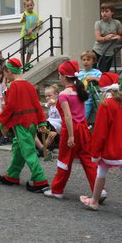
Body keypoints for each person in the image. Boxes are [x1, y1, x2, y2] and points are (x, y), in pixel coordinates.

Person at [79, 72, 122, 221]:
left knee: (101, 171)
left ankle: (94, 201)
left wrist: (96, 152)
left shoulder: (106, 104)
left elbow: (100, 131)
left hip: (111, 146)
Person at [43, 60, 103, 201]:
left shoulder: (64, 94)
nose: (59, 77)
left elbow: (68, 116)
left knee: (64, 160)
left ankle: (57, 190)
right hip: (83, 127)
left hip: (71, 129)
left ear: (64, 76)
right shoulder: (80, 91)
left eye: (59, 74)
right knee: (88, 160)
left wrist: (70, 136)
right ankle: (99, 190)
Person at [0, 58, 49, 193]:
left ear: (9, 72)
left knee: (28, 151)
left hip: (20, 123)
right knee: (19, 149)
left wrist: (0, 121)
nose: (5, 76)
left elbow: (10, 107)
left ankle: (40, 180)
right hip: (31, 122)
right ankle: (12, 175)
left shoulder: (13, 86)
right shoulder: (30, 85)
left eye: (5, 73)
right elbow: (37, 105)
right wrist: (41, 121)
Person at [92, 2, 122, 72]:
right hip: (98, 51)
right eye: (102, 12)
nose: (104, 13)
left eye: (106, 11)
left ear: (112, 12)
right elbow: (98, 38)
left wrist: (118, 37)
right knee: (94, 71)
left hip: (109, 52)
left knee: (104, 72)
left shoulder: (117, 23)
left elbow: (121, 36)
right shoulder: (98, 23)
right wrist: (106, 38)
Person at [34, 85, 61, 160]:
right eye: (46, 96)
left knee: (49, 128)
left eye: (49, 96)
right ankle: (43, 148)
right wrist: (47, 108)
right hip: (50, 122)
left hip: (58, 123)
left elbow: (62, 116)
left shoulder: (60, 103)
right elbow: (45, 116)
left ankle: (42, 149)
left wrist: (56, 105)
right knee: (42, 126)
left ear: (56, 95)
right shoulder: (49, 105)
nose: (47, 98)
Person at [78, 50, 102, 120]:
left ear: (93, 61)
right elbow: (76, 85)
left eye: (88, 60)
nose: (86, 61)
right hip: (84, 97)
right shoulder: (80, 74)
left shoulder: (96, 72)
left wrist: (94, 78)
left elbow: (103, 81)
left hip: (95, 97)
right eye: (84, 60)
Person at [20, 0, 42, 71]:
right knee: (23, 51)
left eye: (31, 5)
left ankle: (27, 63)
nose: (29, 7)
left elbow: (36, 23)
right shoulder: (24, 14)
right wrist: (23, 18)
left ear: (33, 5)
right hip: (24, 36)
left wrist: (31, 29)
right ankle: (22, 64)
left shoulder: (35, 15)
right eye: (28, 6)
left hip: (32, 36)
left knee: (30, 50)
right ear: (25, 7)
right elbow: (21, 21)